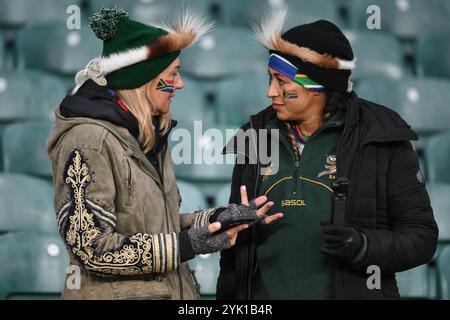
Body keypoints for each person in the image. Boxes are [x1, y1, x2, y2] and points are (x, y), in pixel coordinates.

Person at [46, 6, 281, 300]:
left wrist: (220, 219)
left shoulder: (144, 134)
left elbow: (154, 225)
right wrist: (186, 245)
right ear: (143, 80)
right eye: (173, 74)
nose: (180, 84)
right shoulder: (87, 139)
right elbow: (91, 249)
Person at [217, 6, 438, 300]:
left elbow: (421, 237)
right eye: (270, 79)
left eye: (282, 82)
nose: (271, 92)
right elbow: (234, 252)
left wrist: (363, 246)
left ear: (317, 86)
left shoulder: (381, 137)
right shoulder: (255, 136)